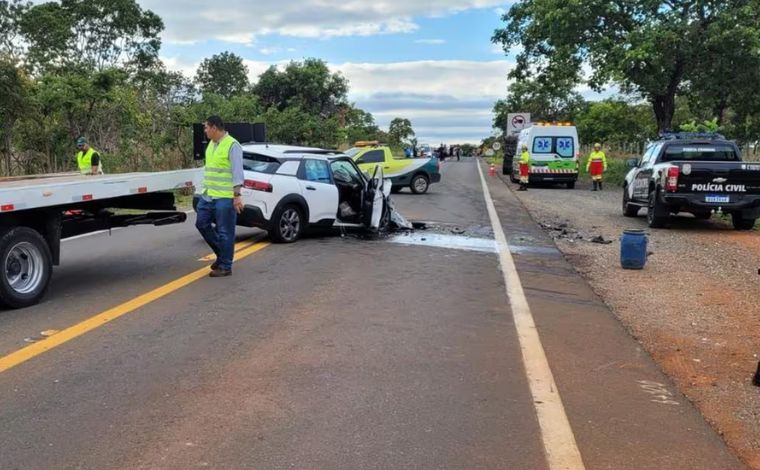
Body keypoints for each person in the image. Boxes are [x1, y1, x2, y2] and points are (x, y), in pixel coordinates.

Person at [195, 116, 244, 278]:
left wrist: (237, 196)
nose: (205, 130)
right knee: (201, 223)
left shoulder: (232, 145)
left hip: (225, 196)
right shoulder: (211, 144)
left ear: (214, 128)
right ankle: (222, 255)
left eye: (206, 127)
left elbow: (237, 172)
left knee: (225, 232)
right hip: (209, 195)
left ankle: (225, 266)